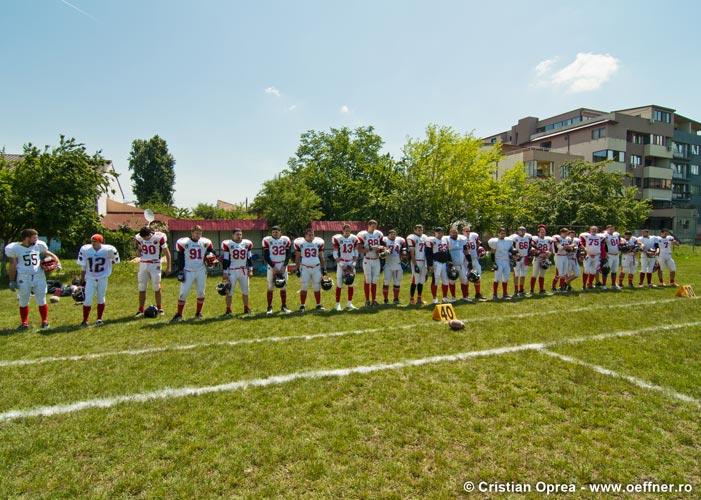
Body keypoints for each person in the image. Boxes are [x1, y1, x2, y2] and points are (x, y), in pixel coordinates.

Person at [4, 228, 61, 330]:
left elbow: (50, 254)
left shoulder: (39, 245)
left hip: (39, 276)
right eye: (34, 237)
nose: (37, 239)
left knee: (42, 299)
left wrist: (58, 262)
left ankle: (44, 322)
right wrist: (12, 280)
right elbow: (12, 264)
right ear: (27, 238)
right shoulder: (15, 248)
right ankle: (24, 323)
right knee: (23, 301)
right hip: (23, 277)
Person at [172, 225, 216, 322]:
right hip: (188, 270)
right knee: (183, 293)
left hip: (201, 270)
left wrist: (214, 256)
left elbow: (211, 251)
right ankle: (179, 314)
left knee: (201, 292)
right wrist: (180, 270)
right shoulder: (183, 242)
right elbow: (180, 257)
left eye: (200, 233)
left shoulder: (205, 242)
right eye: (196, 233)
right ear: (192, 233)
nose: (198, 235)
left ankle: (198, 313)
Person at [78, 233, 120, 327]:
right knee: (88, 299)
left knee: (101, 297)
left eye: (95, 241)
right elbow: (83, 265)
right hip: (90, 278)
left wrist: (109, 262)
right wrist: (82, 278)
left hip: (103, 277)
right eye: (92, 241)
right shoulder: (85, 249)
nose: (93, 243)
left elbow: (116, 261)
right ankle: (85, 320)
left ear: (101, 242)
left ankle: (99, 319)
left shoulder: (108, 250)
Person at [134, 226, 171, 317]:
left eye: (145, 237)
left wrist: (168, 267)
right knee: (141, 286)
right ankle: (140, 309)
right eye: (142, 237)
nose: (143, 239)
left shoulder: (159, 238)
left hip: (155, 264)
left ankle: (159, 308)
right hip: (143, 263)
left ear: (149, 234)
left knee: (156, 286)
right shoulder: (139, 238)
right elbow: (138, 252)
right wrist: (138, 250)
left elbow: (167, 253)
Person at [221, 228, 254, 316]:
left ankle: (246, 307)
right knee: (229, 291)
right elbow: (226, 259)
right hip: (232, 270)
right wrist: (225, 272)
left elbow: (249, 258)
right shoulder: (228, 244)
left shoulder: (247, 243)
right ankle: (228, 309)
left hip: (243, 270)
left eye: (240, 234)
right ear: (233, 235)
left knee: (246, 291)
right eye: (237, 234)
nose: (239, 236)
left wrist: (250, 269)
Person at [293, 227, 328, 311]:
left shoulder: (318, 242)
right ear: (305, 235)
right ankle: (302, 305)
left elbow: (321, 256)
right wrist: (297, 268)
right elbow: (297, 257)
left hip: (316, 267)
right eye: (309, 234)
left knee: (317, 286)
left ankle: (318, 305)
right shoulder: (300, 243)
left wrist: (324, 268)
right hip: (305, 268)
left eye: (312, 234)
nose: (311, 236)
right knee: (304, 286)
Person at [262, 225, 293, 315]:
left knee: (283, 286)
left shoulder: (285, 240)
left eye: (277, 231)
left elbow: (288, 254)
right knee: (270, 286)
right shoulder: (267, 240)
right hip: (272, 265)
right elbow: (266, 256)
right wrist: (273, 267)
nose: (275, 233)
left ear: (280, 232)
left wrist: (284, 266)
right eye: (273, 232)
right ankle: (269, 307)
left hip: (282, 264)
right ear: (271, 233)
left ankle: (284, 306)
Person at [332, 224, 359, 311]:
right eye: (345, 230)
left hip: (351, 262)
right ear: (343, 230)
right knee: (339, 284)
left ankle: (349, 303)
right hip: (342, 262)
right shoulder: (338, 238)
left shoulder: (354, 238)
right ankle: (337, 304)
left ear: (350, 231)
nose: (347, 232)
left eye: (349, 230)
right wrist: (340, 264)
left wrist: (354, 262)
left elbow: (355, 251)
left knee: (351, 283)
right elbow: (335, 253)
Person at [357, 220, 384, 306]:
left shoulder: (378, 234)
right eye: (372, 226)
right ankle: (367, 300)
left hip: (376, 259)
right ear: (368, 225)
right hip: (367, 259)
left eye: (375, 226)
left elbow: (383, 245)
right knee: (367, 280)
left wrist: (383, 250)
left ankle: (374, 300)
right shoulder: (362, 234)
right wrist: (371, 248)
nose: (374, 228)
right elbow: (359, 249)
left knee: (375, 280)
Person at [487, 228, 514, 300]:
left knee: (506, 278)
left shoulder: (508, 241)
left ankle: (505, 294)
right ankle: (494, 294)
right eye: (501, 233)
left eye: (504, 233)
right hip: (498, 261)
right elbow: (492, 253)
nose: (503, 234)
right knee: (497, 278)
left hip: (506, 260)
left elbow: (511, 249)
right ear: (498, 233)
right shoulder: (495, 241)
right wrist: (493, 263)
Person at [426, 227, 451, 303]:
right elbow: (428, 253)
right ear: (435, 233)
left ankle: (445, 297)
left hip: (444, 263)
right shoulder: (431, 240)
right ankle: (434, 298)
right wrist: (430, 264)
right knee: (435, 280)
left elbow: (447, 251)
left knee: (446, 280)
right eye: (438, 232)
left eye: (441, 232)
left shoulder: (445, 239)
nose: (440, 234)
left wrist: (450, 260)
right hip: (436, 262)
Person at [381, 229, 407, 305]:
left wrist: (403, 253)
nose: (393, 235)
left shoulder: (399, 240)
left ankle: (396, 298)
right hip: (388, 264)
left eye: (394, 234)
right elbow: (381, 250)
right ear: (388, 235)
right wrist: (384, 252)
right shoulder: (385, 240)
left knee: (397, 282)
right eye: (391, 234)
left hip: (397, 264)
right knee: (386, 282)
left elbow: (404, 248)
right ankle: (385, 299)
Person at [463, 223, 486, 301]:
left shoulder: (474, 235)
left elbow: (478, 243)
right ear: (463, 231)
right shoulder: (461, 238)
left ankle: (478, 294)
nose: (468, 232)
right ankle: (466, 296)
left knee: (477, 276)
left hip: (475, 259)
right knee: (466, 278)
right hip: (466, 260)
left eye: (469, 231)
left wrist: (481, 249)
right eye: (466, 231)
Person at [406, 224, 428, 305]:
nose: (420, 231)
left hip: (423, 260)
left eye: (421, 229)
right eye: (418, 230)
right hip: (416, 260)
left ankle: (419, 298)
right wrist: (415, 264)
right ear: (415, 230)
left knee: (421, 281)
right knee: (415, 280)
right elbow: (412, 253)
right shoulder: (412, 237)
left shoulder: (425, 237)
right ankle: (411, 299)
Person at [579, 226, 606, 291]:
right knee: (586, 270)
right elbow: (581, 242)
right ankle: (584, 285)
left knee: (593, 271)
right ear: (590, 230)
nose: (594, 230)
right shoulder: (586, 235)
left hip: (597, 255)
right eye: (593, 229)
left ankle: (590, 284)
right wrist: (584, 248)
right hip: (588, 255)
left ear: (597, 230)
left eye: (595, 229)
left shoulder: (600, 236)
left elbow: (602, 245)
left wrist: (603, 255)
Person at [446, 225, 469, 300]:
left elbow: (465, 251)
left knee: (464, 280)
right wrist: (449, 263)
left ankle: (465, 297)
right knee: (452, 280)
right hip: (452, 265)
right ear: (450, 233)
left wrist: (470, 261)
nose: (454, 234)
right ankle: (453, 297)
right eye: (452, 233)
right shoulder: (447, 240)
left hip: (461, 264)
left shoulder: (462, 239)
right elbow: (446, 252)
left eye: (455, 232)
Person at [530, 225, 553, 295]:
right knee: (534, 274)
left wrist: (549, 253)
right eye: (541, 232)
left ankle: (541, 290)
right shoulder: (536, 239)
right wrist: (540, 252)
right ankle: (532, 290)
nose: (543, 233)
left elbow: (551, 249)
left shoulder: (548, 239)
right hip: (538, 258)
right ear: (538, 233)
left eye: (544, 231)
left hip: (545, 258)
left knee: (542, 275)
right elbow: (532, 247)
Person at [511, 226, 532, 297]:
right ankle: (516, 290)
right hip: (517, 258)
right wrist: (515, 255)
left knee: (523, 274)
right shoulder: (515, 238)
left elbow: (530, 246)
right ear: (518, 231)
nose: (522, 231)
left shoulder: (528, 237)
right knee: (516, 275)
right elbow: (512, 247)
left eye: (524, 230)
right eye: (521, 230)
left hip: (525, 257)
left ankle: (521, 290)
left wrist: (529, 255)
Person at [601, 224, 621, 290]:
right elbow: (602, 244)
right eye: (610, 229)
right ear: (607, 229)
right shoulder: (605, 235)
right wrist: (604, 254)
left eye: (613, 229)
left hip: (616, 255)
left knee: (614, 271)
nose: (612, 230)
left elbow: (620, 241)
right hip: (609, 255)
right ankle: (604, 285)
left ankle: (613, 285)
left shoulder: (616, 234)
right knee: (605, 270)